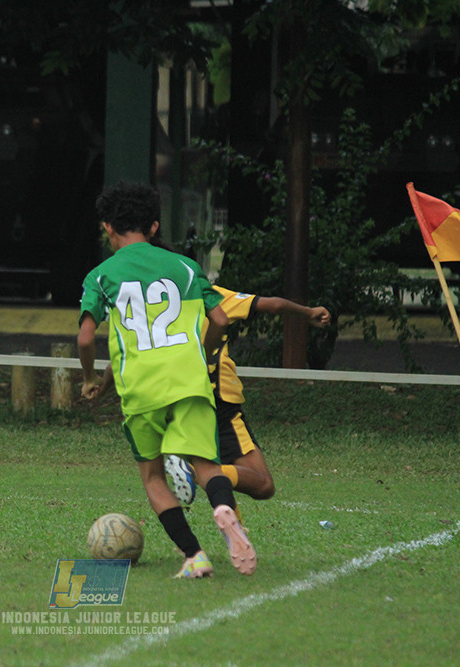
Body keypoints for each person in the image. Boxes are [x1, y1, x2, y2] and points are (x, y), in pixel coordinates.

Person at [78, 182, 256, 579]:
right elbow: (221, 320)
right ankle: (224, 508)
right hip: (189, 382)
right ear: (154, 227)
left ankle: (194, 555)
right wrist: (208, 354)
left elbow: (86, 337)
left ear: (108, 228)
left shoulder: (102, 275)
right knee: (206, 464)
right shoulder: (185, 268)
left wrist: (90, 378)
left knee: (153, 475)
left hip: (141, 391)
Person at [166, 286, 332, 514]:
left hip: (175, 396)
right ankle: (196, 473)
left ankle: (238, 540)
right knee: (262, 484)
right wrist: (308, 312)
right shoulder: (205, 291)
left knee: (229, 473)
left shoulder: (147, 304)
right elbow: (273, 304)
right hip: (218, 396)